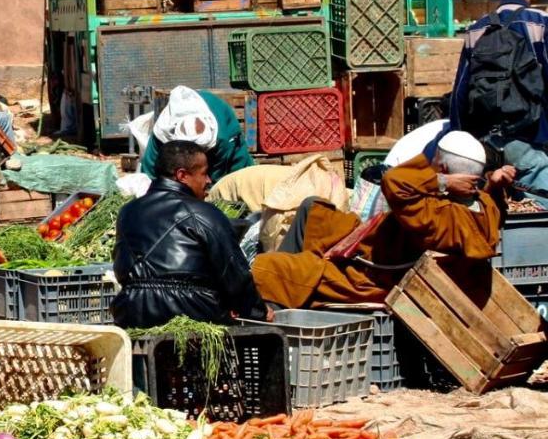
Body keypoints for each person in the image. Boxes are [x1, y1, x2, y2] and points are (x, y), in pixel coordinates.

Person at [252, 131, 510, 309]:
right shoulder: (484, 207)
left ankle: (284, 295)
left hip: (369, 274)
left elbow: (393, 182)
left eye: (433, 164)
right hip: (376, 247)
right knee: (315, 210)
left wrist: (441, 182)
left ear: (442, 170)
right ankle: (297, 271)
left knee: (271, 268)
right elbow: (492, 206)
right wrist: (494, 186)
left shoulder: (439, 216)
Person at [113, 140, 263, 329]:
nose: (208, 180)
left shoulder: (127, 211)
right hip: (193, 313)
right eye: (203, 173)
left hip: (131, 312)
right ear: (182, 175)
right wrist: (259, 313)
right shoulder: (204, 213)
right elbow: (234, 274)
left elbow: (120, 267)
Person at [449, 0, 548, 204]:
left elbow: (460, 93)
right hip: (532, 139)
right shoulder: (541, 23)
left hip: (487, 146)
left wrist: (459, 140)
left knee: (489, 215)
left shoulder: (476, 29)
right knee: (539, 217)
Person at [140, 86, 254, 182]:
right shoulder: (162, 132)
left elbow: (227, 169)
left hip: (222, 131)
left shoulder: (223, 135)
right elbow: (150, 171)